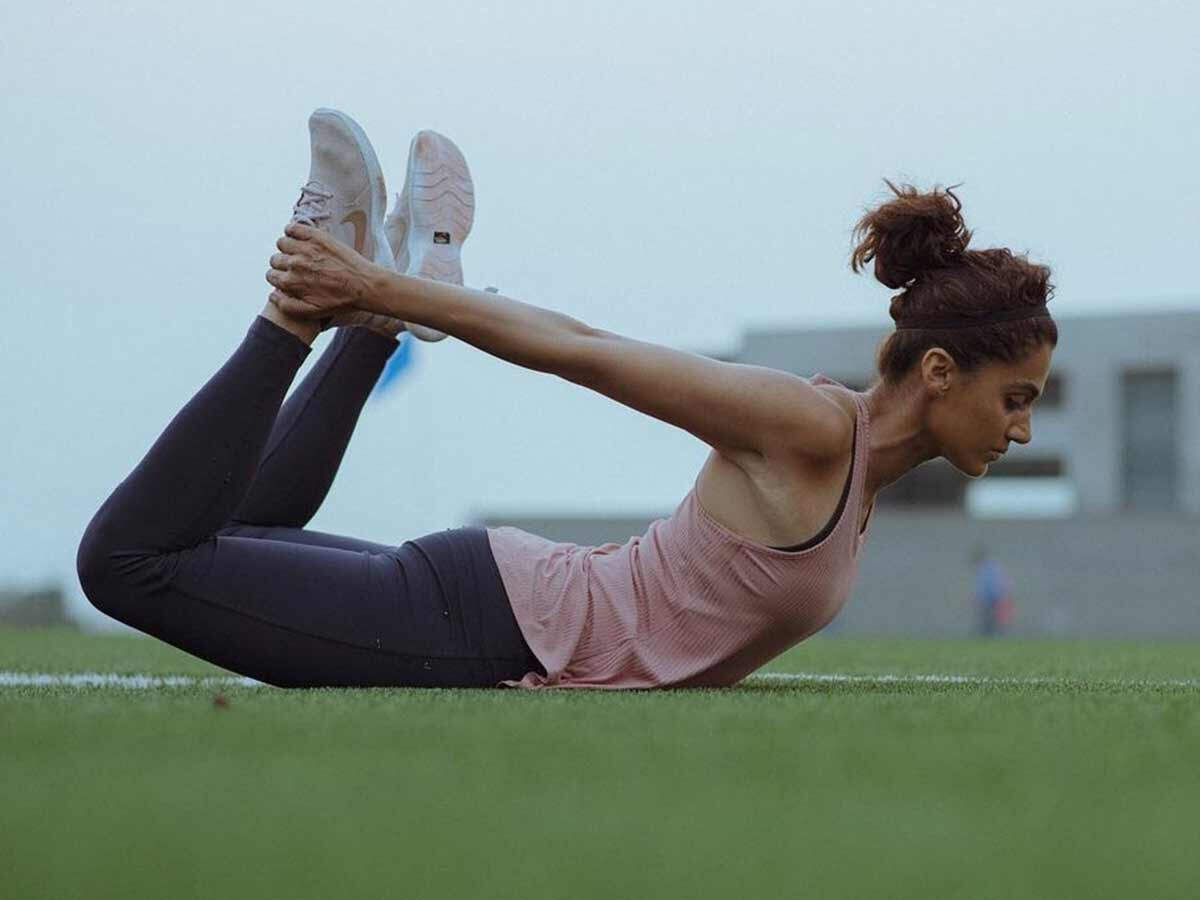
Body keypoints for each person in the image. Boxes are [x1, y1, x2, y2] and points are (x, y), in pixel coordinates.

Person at [76, 109, 1057, 690]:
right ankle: (305, 307)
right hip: (479, 625)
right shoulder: (808, 427)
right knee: (124, 562)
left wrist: (394, 300)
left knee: (230, 525)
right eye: (1015, 398)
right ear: (938, 375)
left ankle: (372, 315)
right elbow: (586, 352)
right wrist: (377, 291)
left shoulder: (864, 481)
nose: (1021, 427)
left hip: (499, 607)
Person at [970, 545, 1015, 637]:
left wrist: (979, 598)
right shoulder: (993, 567)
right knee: (991, 622)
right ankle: (991, 636)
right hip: (994, 599)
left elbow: (986, 587)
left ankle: (991, 637)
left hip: (992, 600)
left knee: (992, 621)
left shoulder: (988, 568)